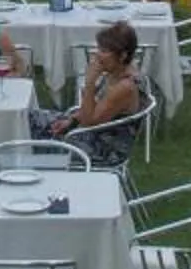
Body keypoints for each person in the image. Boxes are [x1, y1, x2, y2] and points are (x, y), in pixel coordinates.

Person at [33, 19, 146, 164]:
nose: (97, 55)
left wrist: (90, 83)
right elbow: (96, 109)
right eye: (98, 49)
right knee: (31, 117)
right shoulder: (117, 72)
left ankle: (23, 171)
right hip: (92, 132)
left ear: (123, 55)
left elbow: (89, 122)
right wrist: (72, 120)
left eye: (104, 51)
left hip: (102, 149)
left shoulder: (125, 87)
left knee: (36, 132)